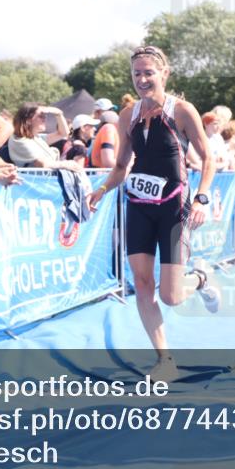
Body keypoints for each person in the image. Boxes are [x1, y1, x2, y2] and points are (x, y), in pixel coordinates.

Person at [86, 45, 219, 382]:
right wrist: (101, 190)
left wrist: (202, 198)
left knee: (171, 296)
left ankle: (200, 276)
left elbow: (208, 159)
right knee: (143, 287)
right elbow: (120, 166)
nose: (142, 79)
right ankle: (165, 361)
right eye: (136, 73)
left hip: (174, 206)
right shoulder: (127, 115)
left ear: (164, 73)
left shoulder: (182, 110)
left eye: (148, 72)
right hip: (140, 207)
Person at [8, 103, 83, 170]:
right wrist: (66, 164)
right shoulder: (19, 141)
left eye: (45, 116)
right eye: (41, 116)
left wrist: (58, 114)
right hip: (35, 183)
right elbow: (42, 164)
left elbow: (63, 133)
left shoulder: (35, 138)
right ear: (28, 120)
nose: (45, 119)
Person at [91, 99, 121, 168]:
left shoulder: (110, 129)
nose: (112, 112)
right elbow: (108, 162)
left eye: (112, 109)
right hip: (103, 176)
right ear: (97, 112)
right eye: (109, 110)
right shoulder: (108, 129)